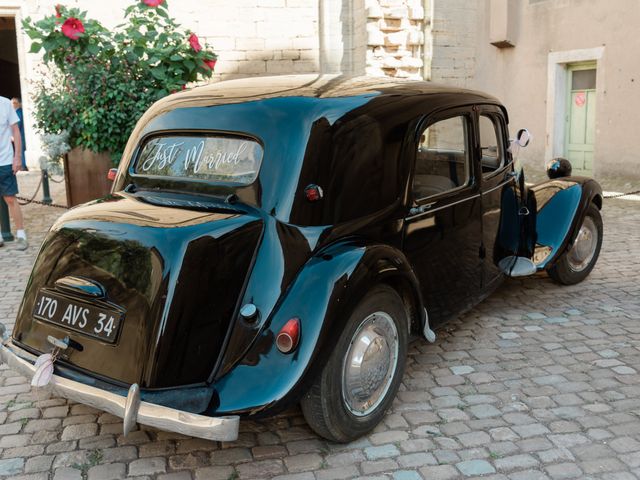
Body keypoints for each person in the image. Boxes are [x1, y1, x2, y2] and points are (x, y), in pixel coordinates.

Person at [0, 95, 27, 250]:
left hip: (5, 160)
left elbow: (16, 132)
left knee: (10, 198)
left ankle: (21, 234)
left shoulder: (5, 103)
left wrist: (17, 157)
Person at [10, 97, 27, 171]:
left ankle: (22, 166)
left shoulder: (19, 112)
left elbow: (18, 124)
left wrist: (13, 135)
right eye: (12, 103)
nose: (13, 105)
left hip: (20, 134)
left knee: (21, 149)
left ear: (19, 104)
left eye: (14, 103)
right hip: (20, 133)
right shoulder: (16, 112)